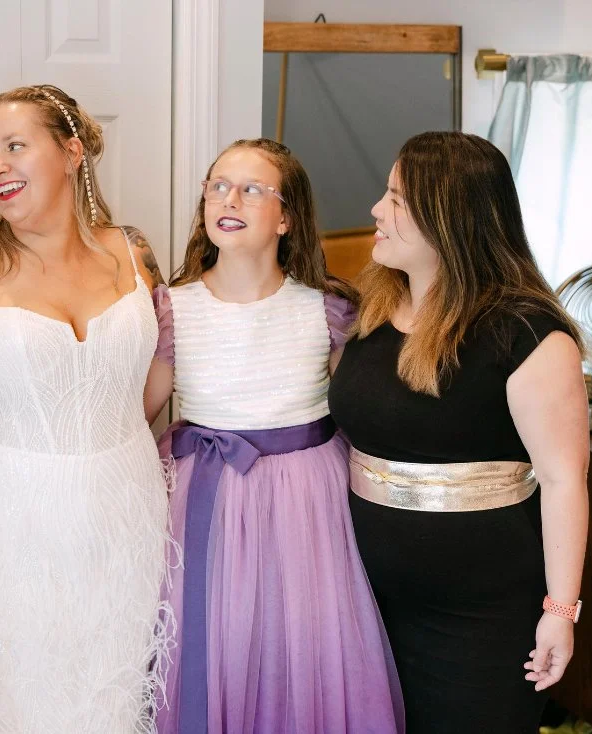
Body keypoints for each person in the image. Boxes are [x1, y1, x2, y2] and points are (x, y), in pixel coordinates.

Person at [0, 84, 172, 733]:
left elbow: (149, 383)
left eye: (13, 146)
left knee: (114, 700)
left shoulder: (134, 253)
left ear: (69, 152)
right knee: (14, 702)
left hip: (128, 516)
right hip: (7, 527)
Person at [328, 131, 589, 733]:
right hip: (366, 600)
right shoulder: (371, 311)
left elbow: (562, 479)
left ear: (449, 219)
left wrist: (560, 610)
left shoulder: (527, 333)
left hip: (478, 618)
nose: (375, 211)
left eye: (396, 199)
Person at [148, 138, 404, 734]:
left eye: (252, 189)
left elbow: (366, 412)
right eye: (217, 185)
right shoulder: (172, 308)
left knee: (307, 645)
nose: (228, 198)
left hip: (307, 504)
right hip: (203, 498)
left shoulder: (327, 308)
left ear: (287, 217)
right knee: (220, 642)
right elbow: (138, 415)